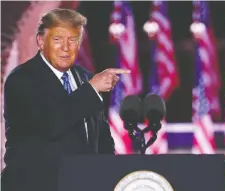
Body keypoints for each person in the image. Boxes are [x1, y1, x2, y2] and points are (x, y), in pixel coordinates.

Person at [1, 8, 130, 191]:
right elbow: (50, 123)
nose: (66, 47)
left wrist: (106, 175)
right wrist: (92, 89)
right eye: (57, 39)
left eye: (73, 40)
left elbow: (101, 138)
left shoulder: (85, 78)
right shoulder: (21, 80)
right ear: (41, 41)